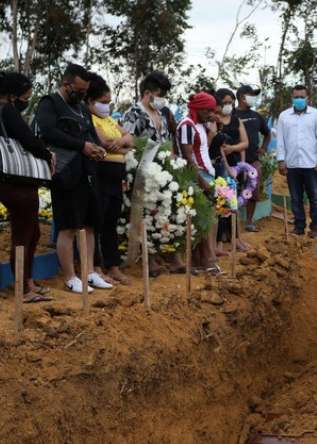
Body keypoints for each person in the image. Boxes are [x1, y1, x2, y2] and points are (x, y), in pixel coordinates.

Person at [35, 63, 111, 294]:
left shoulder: (82, 108)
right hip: (65, 173)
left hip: (88, 172)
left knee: (89, 225)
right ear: (66, 84)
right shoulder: (50, 103)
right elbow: (48, 131)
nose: (81, 94)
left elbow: (91, 135)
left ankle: (89, 272)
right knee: (68, 226)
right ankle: (70, 276)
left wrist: (98, 149)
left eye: (84, 91)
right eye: (78, 90)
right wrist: (82, 146)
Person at [0, 71, 55, 303]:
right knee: (23, 237)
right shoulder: (7, 111)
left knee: (31, 233)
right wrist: (48, 154)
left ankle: (28, 281)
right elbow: (28, 140)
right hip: (18, 184)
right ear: (14, 96)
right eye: (26, 96)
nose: (27, 101)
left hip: (14, 183)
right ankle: (22, 288)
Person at [120, 71, 182, 276]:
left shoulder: (163, 115)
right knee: (146, 217)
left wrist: (172, 159)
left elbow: (167, 141)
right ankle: (150, 260)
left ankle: (174, 258)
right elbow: (127, 143)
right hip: (142, 174)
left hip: (164, 173)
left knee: (167, 214)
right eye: (160, 94)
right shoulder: (132, 114)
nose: (163, 99)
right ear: (147, 93)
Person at [86, 72, 133, 286]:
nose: (107, 106)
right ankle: (96, 267)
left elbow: (130, 140)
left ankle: (113, 266)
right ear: (91, 101)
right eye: (103, 102)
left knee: (111, 223)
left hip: (116, 179)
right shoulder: (89, 118)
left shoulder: (110, 119)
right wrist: (120, 144)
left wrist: (120, 144)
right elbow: (102, 141)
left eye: (109, 102)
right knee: (98, 222)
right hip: (100, 175)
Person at [177, 91, 221, 275]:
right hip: (197, 176)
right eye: (208, 110)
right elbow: (187, 156)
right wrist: (202, 182)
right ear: (198, 108)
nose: (210, 114)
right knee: (204, 219)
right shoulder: (187, 126)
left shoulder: (200, 125)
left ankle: (199, 259)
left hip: (206, 174)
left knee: (207, 219)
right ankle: (206, 259)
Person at [276, 84, 317, 239]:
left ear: (307, 98)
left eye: (301, 97)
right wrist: (281, 160)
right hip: (292, 165)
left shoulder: (316, 115)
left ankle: (316, 227)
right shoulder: (284, 117)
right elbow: (280, 140)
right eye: (296, 97)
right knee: (296, 198)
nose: (299, 99)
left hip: (311, 164)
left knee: (315, 198)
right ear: (292, 98)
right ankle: (299, 226)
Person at [213, 88, 249, 255]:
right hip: (222, 169)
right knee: (221, 206)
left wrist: (242, 165)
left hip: (235, 167)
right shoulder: (215, 120)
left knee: (232, 206)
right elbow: (219, 148)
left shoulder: (236, 120)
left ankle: (236, 238)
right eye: (225, 102)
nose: (229, 105)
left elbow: (245, 143)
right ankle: (219, 242)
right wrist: (228, 168)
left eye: (231, 102)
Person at [233, 84, 270, 231]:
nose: (254, 98)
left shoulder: (257, 116)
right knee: (232, 191)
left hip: (253, 161)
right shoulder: (232, 115)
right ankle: (231, 224)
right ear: (242, 97)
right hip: (234, 161)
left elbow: (267, 134)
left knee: (252, 190)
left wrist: (263, 148)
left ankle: (248, 222)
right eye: (251, 95)